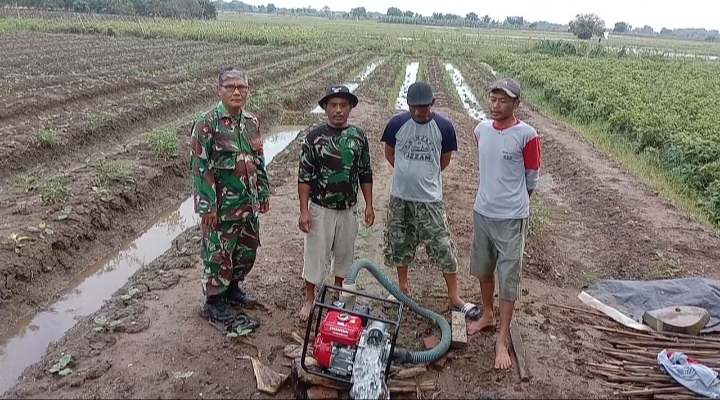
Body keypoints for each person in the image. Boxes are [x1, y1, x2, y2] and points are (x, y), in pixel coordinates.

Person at [380, 81, 480, 320]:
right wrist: (407, 174)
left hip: (430, 201)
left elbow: (444, 160)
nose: (417, 112)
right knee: (400, 243)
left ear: (432, 104)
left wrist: (424, 177)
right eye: (413, 107)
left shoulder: (444, 126)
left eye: (423, 107)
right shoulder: (397, 124)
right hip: (400, 198)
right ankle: (403, 290)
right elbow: (389, 153)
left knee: (443, 246)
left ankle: (454, 297)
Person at [467, 78, 541, 370]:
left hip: (511, 218)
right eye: (493, 100)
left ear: (516, 104)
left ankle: (502, 338)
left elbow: (532, 177)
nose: (496, 106)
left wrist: (514, 202)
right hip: (483, 212)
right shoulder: (481, 129)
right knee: (484, 270)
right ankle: (487, 314)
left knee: (508, 278)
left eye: (503, 101)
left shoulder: (527, 134)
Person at [190, 67, 270, 323]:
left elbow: (258, 159)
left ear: (248, 90)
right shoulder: (207, 123)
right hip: (221, 208)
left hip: (247, 204)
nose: (237, 92)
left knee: (245, 251)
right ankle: (214, 301)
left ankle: (233, 289)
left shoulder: (251, 122)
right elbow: (201, 167)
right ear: (219, 90)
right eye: (230, 87)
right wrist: (207, 206)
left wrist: (263, 192)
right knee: (218, 253)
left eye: (242, 87)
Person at [297, 85, 375, 321]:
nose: (338, 110)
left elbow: (365, 172)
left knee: (344, 257)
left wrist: (369, 205)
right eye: (333, 105)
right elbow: (304, 177)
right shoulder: (314, 138)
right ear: (325, 108)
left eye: (343, 105)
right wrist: (304, 211)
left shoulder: (359, 137)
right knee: (315, 256)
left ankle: (338, 295)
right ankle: (310, 300)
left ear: (350, 108)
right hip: (321, 209)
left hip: (348, 209)